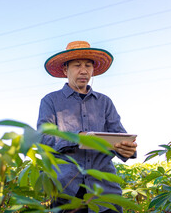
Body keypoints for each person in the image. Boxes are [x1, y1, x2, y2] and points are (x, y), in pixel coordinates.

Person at [37, 41, 137, 213]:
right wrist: (77, 137)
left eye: (88, 65)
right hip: (66, 189)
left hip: (105, 190)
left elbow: (119, 135)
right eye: (77, 65)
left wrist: (128, 149)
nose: (83, 71)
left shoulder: (105, 102)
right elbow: (44, 138)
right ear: (65, 70)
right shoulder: (50, 101)